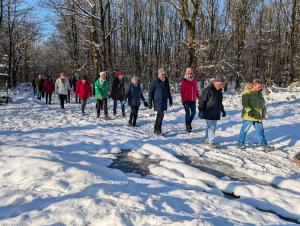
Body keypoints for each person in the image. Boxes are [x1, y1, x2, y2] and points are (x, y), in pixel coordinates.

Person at [237, 79, 273, 151]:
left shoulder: (259, 93)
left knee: (260, 131)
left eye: (261, 86)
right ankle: (240, 144)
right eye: (259, 86)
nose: (260, 88)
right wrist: (249, 111)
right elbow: (245, 103)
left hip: (258, 116)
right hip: (249, 116)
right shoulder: (246, 93)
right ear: (254, 86)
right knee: (244, 130)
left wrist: (264, 112)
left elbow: (262, 103)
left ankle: (263, 145)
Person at [198, 77, 226, 148]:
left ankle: (206, 140)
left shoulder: (219, 92)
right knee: (212, 127)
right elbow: (202, 101)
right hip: (208, 111)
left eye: (222, 84)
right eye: (220, 84)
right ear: (215, 83)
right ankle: (211, 142)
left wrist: (222, 110)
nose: (221, 86)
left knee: (211, 127)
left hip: (216, 112)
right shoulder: (208, 90)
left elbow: (220, 103)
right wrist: (201, 110)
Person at [148, 68, 173, 136]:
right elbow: (150, 92)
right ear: (159, 74)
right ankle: (158, 130)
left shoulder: (166, 81)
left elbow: (168, 91)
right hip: (157, 101)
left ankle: (156, 128)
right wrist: (150, 102)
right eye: (162, 74)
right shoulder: (155, 81)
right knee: (161, 114)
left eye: (164, 74)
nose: (163, 75)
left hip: (164, 100)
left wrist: (170, 99)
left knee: (159, 115)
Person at [180, 67, 200, 132]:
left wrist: (199, 98)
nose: (189, 74)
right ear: (186, 73)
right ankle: (187, 126)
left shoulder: (194, 81)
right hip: (186, 101)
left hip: (193, 100)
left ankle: (189, 123)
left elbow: (196, 90)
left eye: (190, 73)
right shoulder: (184, 81)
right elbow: (182, 92)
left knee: (193, 113)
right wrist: (183, 100)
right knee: (188, 113)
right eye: (188, 73)